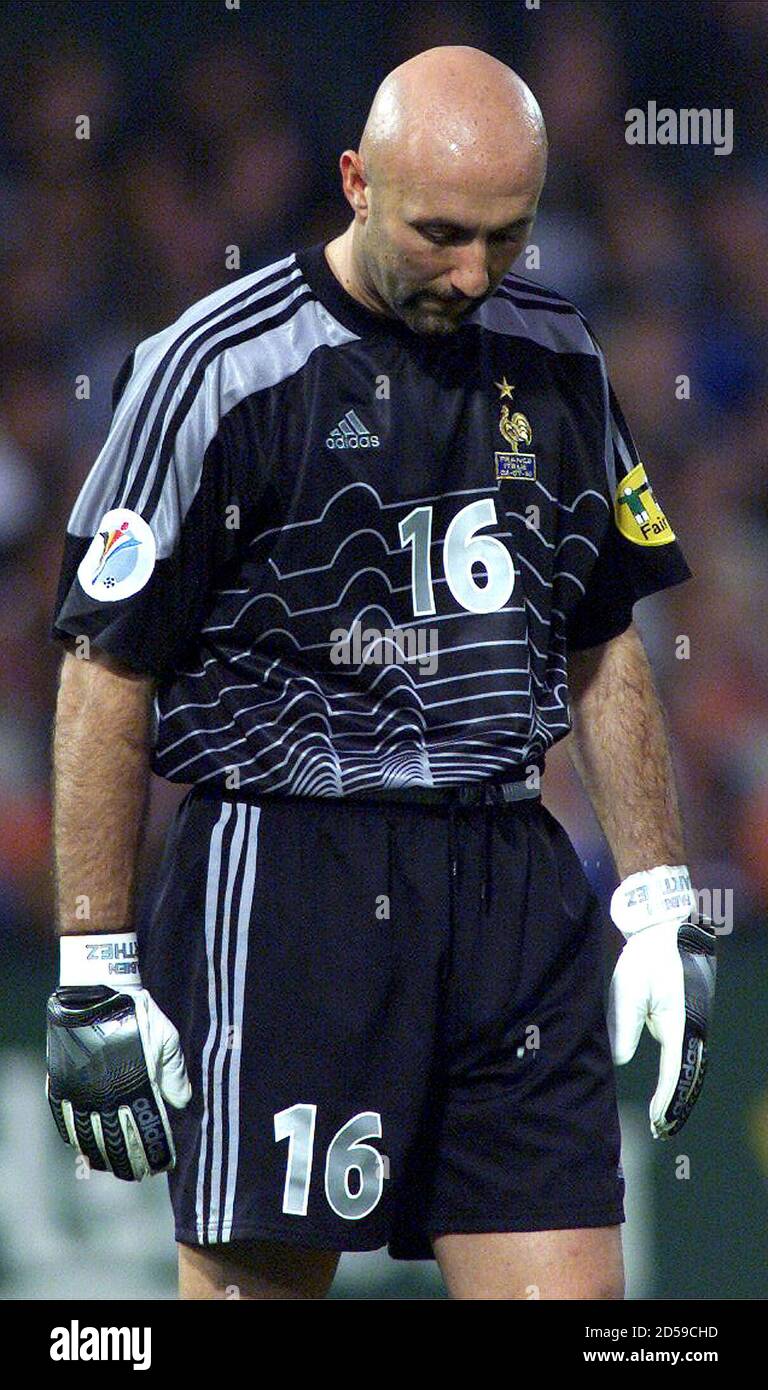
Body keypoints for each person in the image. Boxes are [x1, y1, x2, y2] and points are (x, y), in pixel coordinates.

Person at [46, 45, 715, 1301]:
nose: (473, 273)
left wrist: (660, 899)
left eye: (506, 238)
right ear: (355, 181)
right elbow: (104, 668)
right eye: (441, 233)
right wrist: (95, 964)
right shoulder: (216, 370)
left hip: (511, 880)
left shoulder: (560, 355)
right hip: (290, 875)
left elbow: (605, 633)